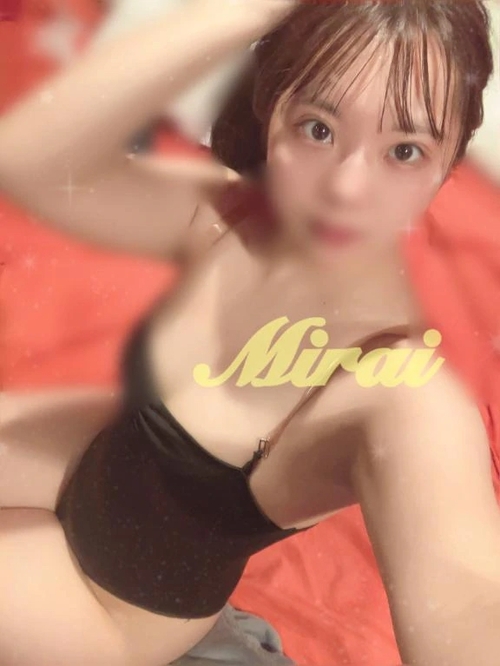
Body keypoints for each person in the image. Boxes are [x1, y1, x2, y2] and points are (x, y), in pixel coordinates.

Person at [0, 0, 497, 665]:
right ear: (272, 115)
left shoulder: (396, 384)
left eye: (404, 151)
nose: (346, 190)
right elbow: (27, 156)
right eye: (317, 129)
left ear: (446, 165)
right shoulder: (231, 218)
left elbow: (470, 600)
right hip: (76, 482)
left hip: (103, 616)